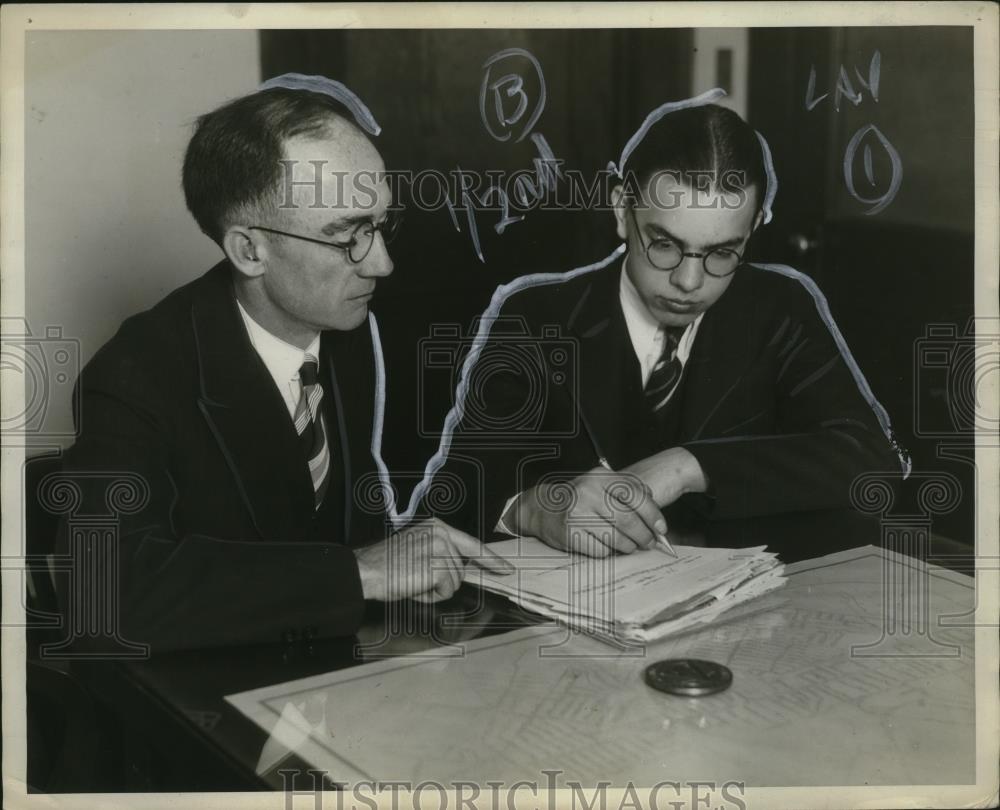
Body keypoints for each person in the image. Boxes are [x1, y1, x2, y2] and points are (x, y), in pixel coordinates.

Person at [55, 79, 511, 653]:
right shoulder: (133, 374)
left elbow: (425, 488)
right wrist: (357, 573)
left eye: (381, 226)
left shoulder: (355, 328)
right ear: (249, 250)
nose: (384, 263)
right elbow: (104, 593)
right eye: (348, 236)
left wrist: (527, 510)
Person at [434, 102, 905, 557]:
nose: (689, 282)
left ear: (753, 228)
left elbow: (871, 460)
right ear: (622, 209)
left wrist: (688, 465)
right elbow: (454, 497)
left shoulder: (779, 309)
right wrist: (535, 510)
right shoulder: (535, 319)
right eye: (663, 244)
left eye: (722, 252)